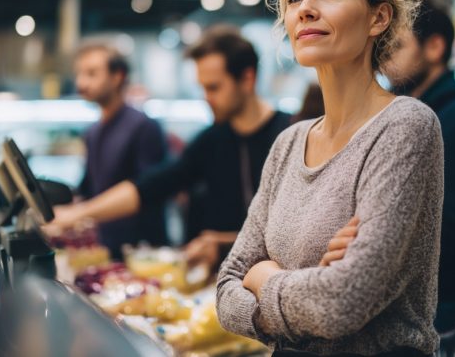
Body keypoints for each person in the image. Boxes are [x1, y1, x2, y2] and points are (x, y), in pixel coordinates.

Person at [216, 0, 444, 356]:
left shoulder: (405, 125)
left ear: (378, 18)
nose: (306, 9)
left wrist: (265, 278)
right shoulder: (288, 144)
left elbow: (340, 305)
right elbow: (226, 290)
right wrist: (310, 288)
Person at [51, 26, 292, 270]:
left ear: (247, 79)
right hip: (223, 281)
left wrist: (226, 244)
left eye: (214, 87)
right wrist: (77, 214)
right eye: (202, 87)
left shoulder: (291, 136)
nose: (206, 97)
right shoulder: (211, 139)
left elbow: (294, 233)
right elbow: (153, 185)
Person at [382, 0, 455, 357]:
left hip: (451, 302)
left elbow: (448, 221)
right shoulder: (404, 113)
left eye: (397, 46)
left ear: (434, 47)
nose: (385, 58)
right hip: (417, 299)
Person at [73, 43, 168, 258]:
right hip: (106, 250)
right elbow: (88, 189)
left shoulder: (144, 127)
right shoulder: (92, 133)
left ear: (117, 76)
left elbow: (150, 191)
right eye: (79, 74)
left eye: (91, 73)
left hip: (143, 255)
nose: (81, 83)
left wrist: (78, 214)